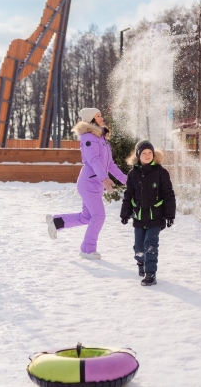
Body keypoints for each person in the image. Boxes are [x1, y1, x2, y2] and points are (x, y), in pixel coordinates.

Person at [46, 108, 127, 260]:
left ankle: (56, 221)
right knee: (99, 216)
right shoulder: (89, 138)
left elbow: (110, 165)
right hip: (89, 182)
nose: (102, 118)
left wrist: (126, 180)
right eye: (98, 116)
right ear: (91, 120)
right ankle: (88, 249)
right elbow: (93, 161)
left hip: (95, 183)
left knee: (87, 217)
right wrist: (105, 179)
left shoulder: (101, 138)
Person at [120, 140, 176, 286]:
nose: (147, 155)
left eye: (150, 152)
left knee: (150, 244)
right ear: (138, 155)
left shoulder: (161, 172)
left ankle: (150, 274)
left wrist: (170, 215)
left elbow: (169, 194)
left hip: (156, 217)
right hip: (139, 217)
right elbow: (128, 195)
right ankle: (141, 262)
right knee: (139, 246)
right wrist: (125, 213)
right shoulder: (133, 174)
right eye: (143, 153)